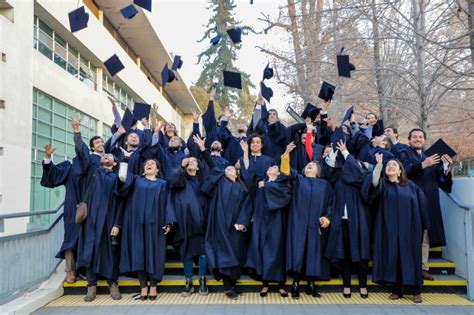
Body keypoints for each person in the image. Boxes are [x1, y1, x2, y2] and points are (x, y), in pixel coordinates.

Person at [363, 154, 429, 303]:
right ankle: (397, 289)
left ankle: (416, 290)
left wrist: (425, 225)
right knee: (395, 256)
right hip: (389, 228)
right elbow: (372, 192)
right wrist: (379, 165)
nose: (390, 167)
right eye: (388, 166)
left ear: (400, 171)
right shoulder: (383, 185)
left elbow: (422, 205)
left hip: (411, 228)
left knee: (411, 257)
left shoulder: (411, 186)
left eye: (394, 165)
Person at [72, 119, 122, 302]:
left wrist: (117, 223)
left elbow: (119, 203)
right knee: (89, 251)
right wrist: (77, 132)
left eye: (109, 156)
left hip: (108, 220)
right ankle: (91, 287)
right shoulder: (93, 170)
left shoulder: (116, 179)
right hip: (91, 219)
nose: (105, 155)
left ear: (114, 163)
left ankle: (112, 284)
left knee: (110, 253)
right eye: (102, 154)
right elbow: (84, 153)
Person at [397, 128, 453, 281]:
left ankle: (423, 267)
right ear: (409, 140)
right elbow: (403, 171)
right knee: (409, 234)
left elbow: (441, 181)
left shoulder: (432, 156)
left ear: (424, 140)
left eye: (420, 137)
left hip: (429, 199)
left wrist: (446, 168)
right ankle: (406, 267)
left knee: (425, 235)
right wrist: (423, 164)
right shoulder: (403, 153)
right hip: (409, 198)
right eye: (414, 137)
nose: (417, 139)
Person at [116, 158, 175, 300]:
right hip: (136, 224)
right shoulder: (136, 181)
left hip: (156, 225)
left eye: (152, 164)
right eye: (147, 164)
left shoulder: (163, 184)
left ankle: (153, 286)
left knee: (156, 255)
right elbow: (122, 181)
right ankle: (143, 286)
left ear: (158, 170)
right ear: (143, 169)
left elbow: (168, 203)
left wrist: (169, 222)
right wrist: (125, 161)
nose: (149, 165)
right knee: (139, 254)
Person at [201, 138, 250, 300]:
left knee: (236, 254)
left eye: (231, 168)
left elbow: (247, 206)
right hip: (221, 225)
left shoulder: (242, 187)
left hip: (236, 227)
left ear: (237, 172)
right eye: (226, 168)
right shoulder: (220, 182)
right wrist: (202, 149)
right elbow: (211, 165)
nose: (228, 169)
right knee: (224, 254)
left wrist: (242, 223)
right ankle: (228, 287)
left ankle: (233, 284)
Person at [239, 148, 292, 297]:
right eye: (271, 167)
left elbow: (285, 197)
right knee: (262, 250)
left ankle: (281, 284)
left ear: (278, 172)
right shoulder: (259, 184)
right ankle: (265, 284)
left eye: (274, 167)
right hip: (261, 221)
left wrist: (267, 186)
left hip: (277, 222)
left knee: (277, 251)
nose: (272, 168)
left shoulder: (282, 184)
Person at [283, 146, 332, 299]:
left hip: (315, 223)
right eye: (308, 165)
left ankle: (311, 284)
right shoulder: (298, 179)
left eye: (314, 165)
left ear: (318, 171)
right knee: (298, 252)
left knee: (313, 253)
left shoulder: (325, 185)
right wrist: (286, 154)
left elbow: (331, 204)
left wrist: (327, 218)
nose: (310, 165)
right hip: (298, 221)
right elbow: (286, 171)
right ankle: (295, 283)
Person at [324, 140, 371, 299]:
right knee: (344, 255)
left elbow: (357, 170)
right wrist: (335, 154)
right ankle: (347, 285)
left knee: (361, 254)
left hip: (358, 221)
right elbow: (329, 172)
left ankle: (363, 285)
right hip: (341, 222)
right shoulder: (338, 181)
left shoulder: (360, 180)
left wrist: (345, 152)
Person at [167, 141, 209, 297]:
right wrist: (181, 166)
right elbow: (172, 181)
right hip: (184, 222)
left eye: (194, 161)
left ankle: (202, 280)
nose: (191, 162)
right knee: (187, 253)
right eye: (189, 161)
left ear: (198, 167)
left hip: (201, 222)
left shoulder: (202, 181)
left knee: (202, 252)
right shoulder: (180, 179)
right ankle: (188, 282)